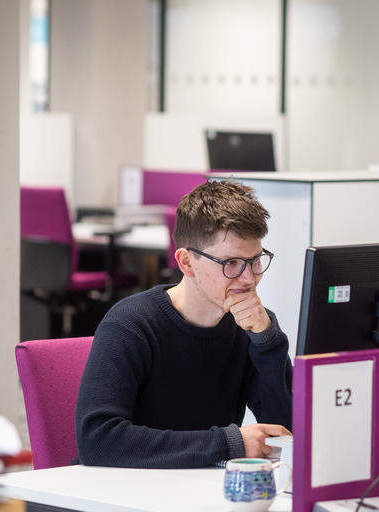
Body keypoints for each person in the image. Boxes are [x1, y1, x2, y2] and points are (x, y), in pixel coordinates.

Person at [75, 180, 292, 468]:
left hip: (201, 489)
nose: (249, 278)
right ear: (187, 263)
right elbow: (98, 441)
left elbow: (288, 433)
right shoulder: (131, 324)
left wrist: (267, 341)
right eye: (231, 263)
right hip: (122, 491)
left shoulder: (249, 327)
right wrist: (229, 444)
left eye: (255, 261)